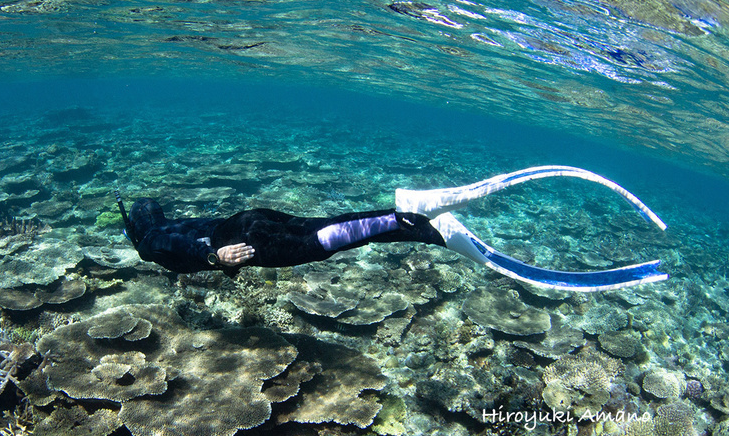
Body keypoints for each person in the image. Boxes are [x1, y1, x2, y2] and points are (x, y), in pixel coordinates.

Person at [116, 166, 669, 292]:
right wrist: (209, 246)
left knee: (321, 243)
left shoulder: (151, 241)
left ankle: (415, 219)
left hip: (248, 239)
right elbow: (174, 230)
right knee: (329, 230)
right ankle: (411, 218)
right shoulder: (165, 222)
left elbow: (168, 246)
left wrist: (212, 258)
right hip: (252, 219)